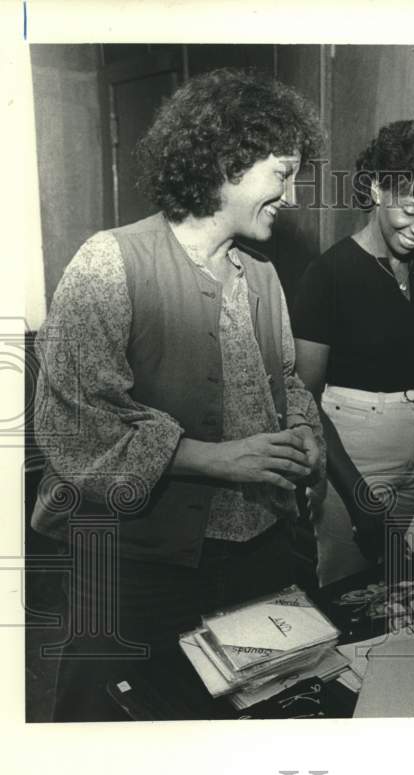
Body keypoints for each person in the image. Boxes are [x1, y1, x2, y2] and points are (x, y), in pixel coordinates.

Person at [30, 69, 326, 721]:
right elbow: (74, 425)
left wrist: (304, 433)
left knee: (250, 728)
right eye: (282, 173)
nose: (292, 194)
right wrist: (218, 460)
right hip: (141, 575)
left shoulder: (266, 277)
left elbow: (287, 388)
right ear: (229, 162)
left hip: (258, 561)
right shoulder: (108, 263)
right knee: (117, 736)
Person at [292, 115, 414, 585]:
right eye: (411, 209)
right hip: (354, 448)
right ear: (377, 188)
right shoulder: (328, 275)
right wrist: (358, 496)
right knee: (350, 587)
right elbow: (304, 401)